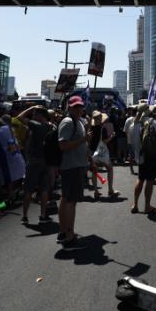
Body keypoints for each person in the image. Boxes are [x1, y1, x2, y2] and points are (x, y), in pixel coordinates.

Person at [57, 96, 90, 246]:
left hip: (76, 166)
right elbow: (62, 146)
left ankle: (64, 231)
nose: (79, 109)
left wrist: (89, 158)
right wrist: (84, 140)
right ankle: (69, 236)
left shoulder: (79, 122)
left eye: (80, 106)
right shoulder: (68, 122)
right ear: (69, 108)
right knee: (70, 201)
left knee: (66, 200)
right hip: (71, 167)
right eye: (75, 107)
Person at [15, 106, 53, 224]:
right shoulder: (52, 126)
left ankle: (25, 216)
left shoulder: (37, 126)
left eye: (34, 114)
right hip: (47, 161)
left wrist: (31, 108)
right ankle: (42, 215)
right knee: (44, 190)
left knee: (28, 189)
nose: (32, 116)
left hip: (34, 161)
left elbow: (19, 117)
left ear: (40, 116)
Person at [132, 104, 156, 214]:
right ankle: (147, 206)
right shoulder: (151, 121)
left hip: (140, 155)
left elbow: (133, 140)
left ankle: (135, 204)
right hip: (150, 155)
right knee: (149, 180)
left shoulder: (135, 123)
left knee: (140, 179)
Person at [89, 111, 118, 198]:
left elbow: (88, 141)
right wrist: (112, 136)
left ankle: (96, 191)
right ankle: (110, 190)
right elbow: (105, 141)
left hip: (92, 152)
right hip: (101, 153)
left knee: (94, 171)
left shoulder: (90, 129)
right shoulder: (102, 129)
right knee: (110, 169)